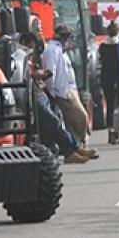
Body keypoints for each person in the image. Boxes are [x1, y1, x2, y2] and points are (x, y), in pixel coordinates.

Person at [20, 31, 88, 163]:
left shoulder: (30, 57)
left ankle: (71, 149)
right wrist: (37, 75)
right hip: (31, 92)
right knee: (52, 121)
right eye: (32, 45)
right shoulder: (19, 56)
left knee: (55, 120)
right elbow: (24, 75)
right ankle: (72, 148)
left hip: (40, 90)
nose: (33, 49)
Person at [42, 25, 99, 159]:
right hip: (62, 92)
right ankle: (78, 146)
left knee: (70, 123)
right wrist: (53, 92)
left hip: (69, 90)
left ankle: (74, 150)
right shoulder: (52, 51)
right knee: (81, 117)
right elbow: (50, 74)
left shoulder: (60, 51)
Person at [98, 22, 119, 144]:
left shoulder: (102, 46)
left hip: (106, 76)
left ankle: (111, 132)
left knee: (110, 105)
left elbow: (100, 60)